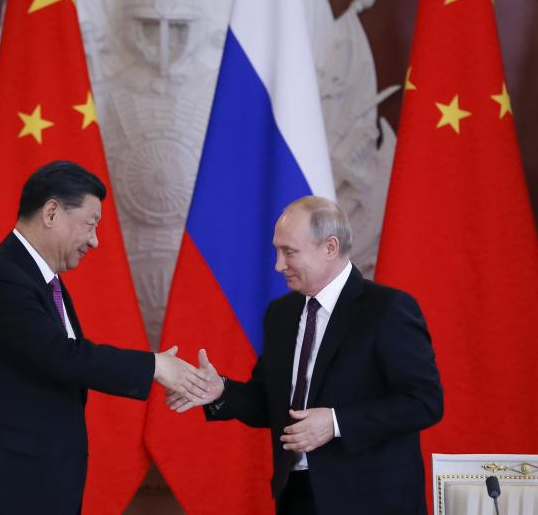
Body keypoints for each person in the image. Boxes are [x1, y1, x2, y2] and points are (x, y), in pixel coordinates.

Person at [0, 160, 207, 514]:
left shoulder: (43, 283)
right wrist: (154, 365)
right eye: (90, 224)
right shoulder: (0, 279)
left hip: (34, 489)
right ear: (52, 212)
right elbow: (61, 355)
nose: (96, 241)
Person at [168, 196, 443, 514]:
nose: (278, 265)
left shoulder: (387, 309)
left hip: (372, 499)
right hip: (296, 495)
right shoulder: (281, 314)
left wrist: (336, 422)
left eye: (289, 252)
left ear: (329, 247)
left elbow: (425, 402)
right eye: (277, 250)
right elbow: (270, 404)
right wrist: (222, 392)